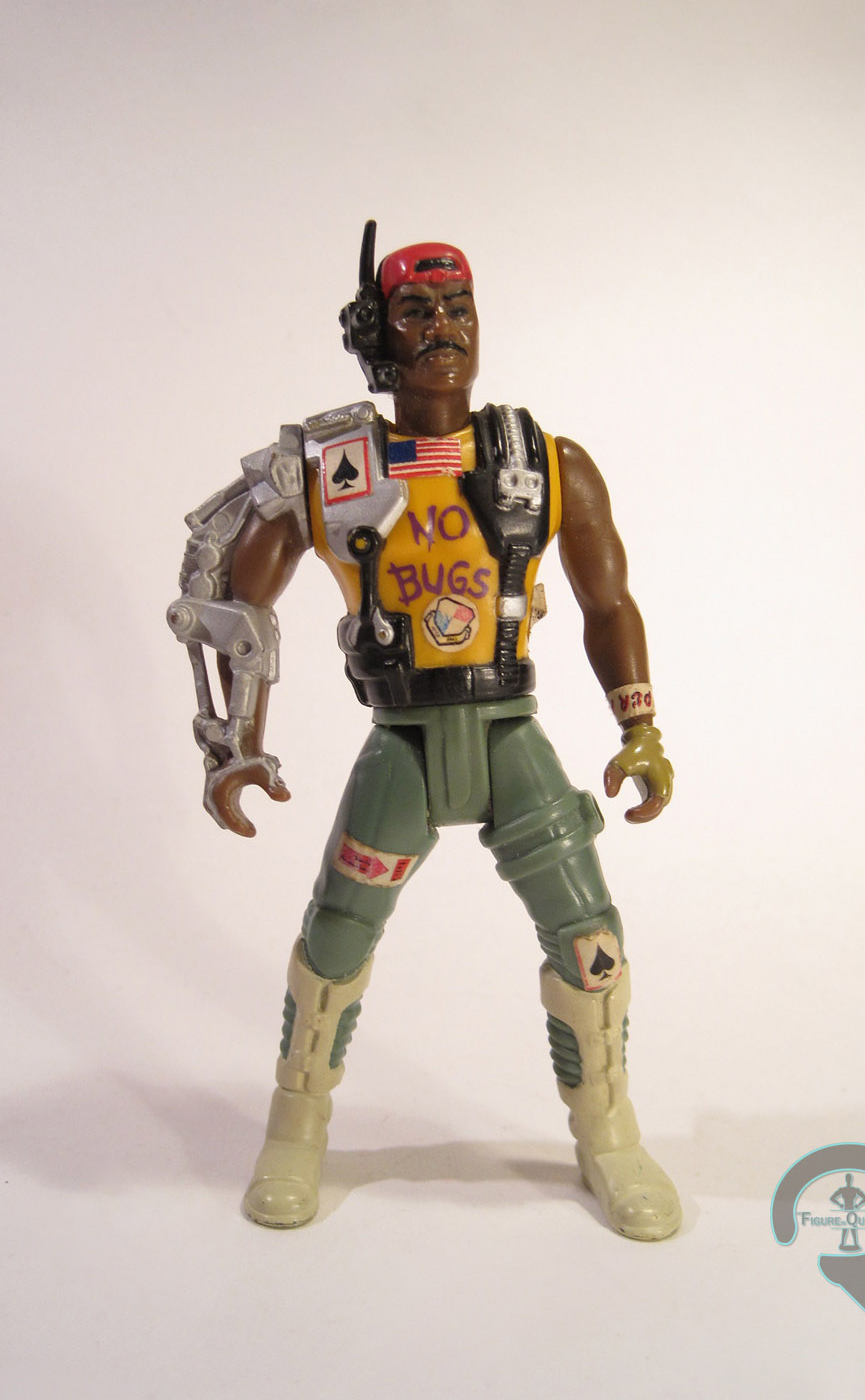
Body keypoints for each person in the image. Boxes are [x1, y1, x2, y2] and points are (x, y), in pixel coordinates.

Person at [167, 222, 681, 1239]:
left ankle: (610, 1133)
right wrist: (235, 741)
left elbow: (607, 602)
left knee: (592, 943)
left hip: (509, 739)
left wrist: (641, 727)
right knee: (333, 941)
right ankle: (295, 1127)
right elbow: (239, 604)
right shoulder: (336, 467)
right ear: (377, 333)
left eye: (457, 307)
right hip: (400, 745)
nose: (442, 327)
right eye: (415, 310)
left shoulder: (544, 461)